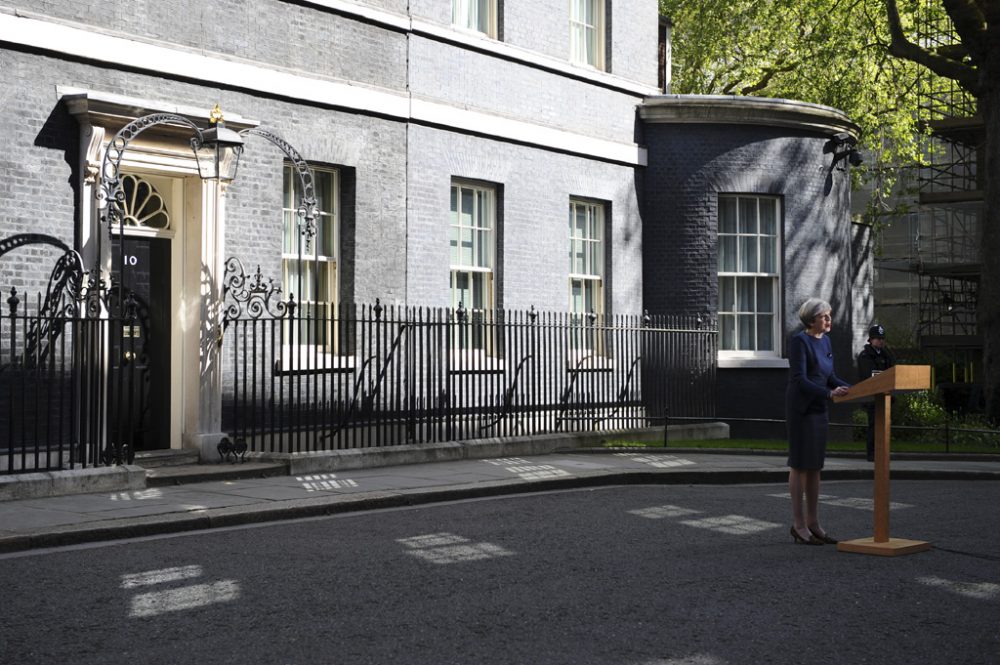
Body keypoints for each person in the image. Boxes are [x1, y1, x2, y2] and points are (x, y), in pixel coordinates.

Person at [786, 298, 850, 545]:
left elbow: (830, 376)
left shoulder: (827, 341)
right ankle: (798, 524)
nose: (829, 319)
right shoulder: (799, 342)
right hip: (802, 410)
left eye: (829, 315)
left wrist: (855, 389)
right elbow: (800, 379)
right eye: (824, 316)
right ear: (811, 320)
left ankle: (813, 523)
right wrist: (828, 393)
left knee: (815, 466)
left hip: (820, 408)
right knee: (800, 464)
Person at [857, 324, 895, 462]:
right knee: (874, 425)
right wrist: (886, 376)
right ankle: (872, 453)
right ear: (871, 340)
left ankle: (883, 451)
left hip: (885, 395)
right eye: (877, 338)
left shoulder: (886, 354)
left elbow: (893, 371)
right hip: (872, 397)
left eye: (882, 338)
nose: (880, 341)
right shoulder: (865, 355)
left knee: (884, 425)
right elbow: (870, 375)